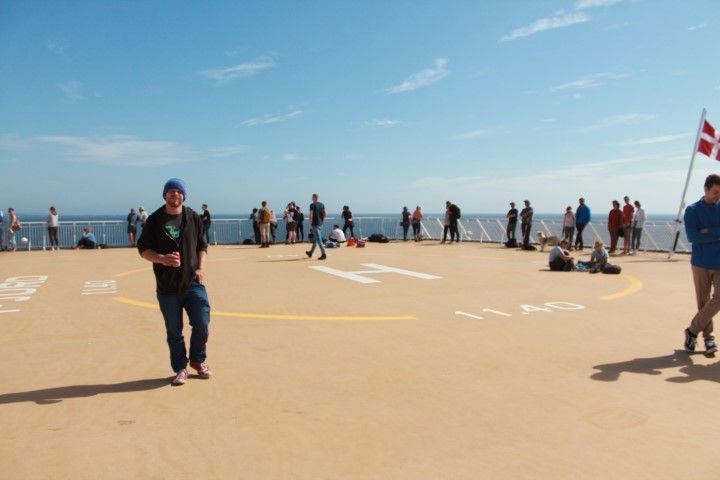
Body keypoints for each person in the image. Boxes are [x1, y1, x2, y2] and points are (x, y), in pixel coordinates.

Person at [137, 178, 212, 385]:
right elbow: (143, 249)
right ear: (165, 195)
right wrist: (161, 259)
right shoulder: (154, 220)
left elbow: (202, 246)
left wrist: (201, 268)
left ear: (183, 196)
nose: (175, 194)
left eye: (178, 191)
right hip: (167, 286)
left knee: (202, 324)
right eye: (170, 191)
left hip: (193, 283)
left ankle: (197, 360)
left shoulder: (193, 217)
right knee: (174, 331)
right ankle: (180, 368)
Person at [683, 174, 720, 355]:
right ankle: (708, 338)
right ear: (705, 189)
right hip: (701, 263)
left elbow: (703, 236)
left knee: (718, 299)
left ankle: (692, 330)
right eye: (715, 192)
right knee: (703, 302)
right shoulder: (692, 210)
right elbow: (693, 237)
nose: (718, 196)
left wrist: (710, 232)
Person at [306, 193, 327, 260]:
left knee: (319, 240)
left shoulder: (312, 205)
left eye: (312, 197)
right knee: (315, 239)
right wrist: (322, 221)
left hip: (315, 224)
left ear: (314, 197)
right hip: (320, 224)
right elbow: (325, 214)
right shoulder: (322, 204)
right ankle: (310, 252)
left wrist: (310, 223)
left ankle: (324, 254)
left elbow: (311, 215)